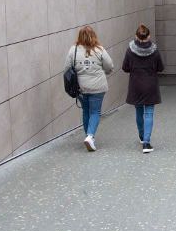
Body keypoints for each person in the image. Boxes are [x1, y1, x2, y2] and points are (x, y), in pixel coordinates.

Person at [67, 26, 114, 151]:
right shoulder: (99, 50)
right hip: (98, 86)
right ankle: (90, 136)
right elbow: (109, 66)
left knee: (86, 111)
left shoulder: (74, 50)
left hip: (80, 87)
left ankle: (88, 136)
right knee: (95, 112)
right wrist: (106, 72)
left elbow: (67, 68)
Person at [122, 23, 164, 153]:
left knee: (139, 112)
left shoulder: (130, 50)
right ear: (149, 36)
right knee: (149, 113)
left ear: (136, 36)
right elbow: (161, 68)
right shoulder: (154, 51)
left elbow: (125, 68)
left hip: (136, 85)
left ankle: (141, 135)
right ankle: (146, 143)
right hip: (151, 85)